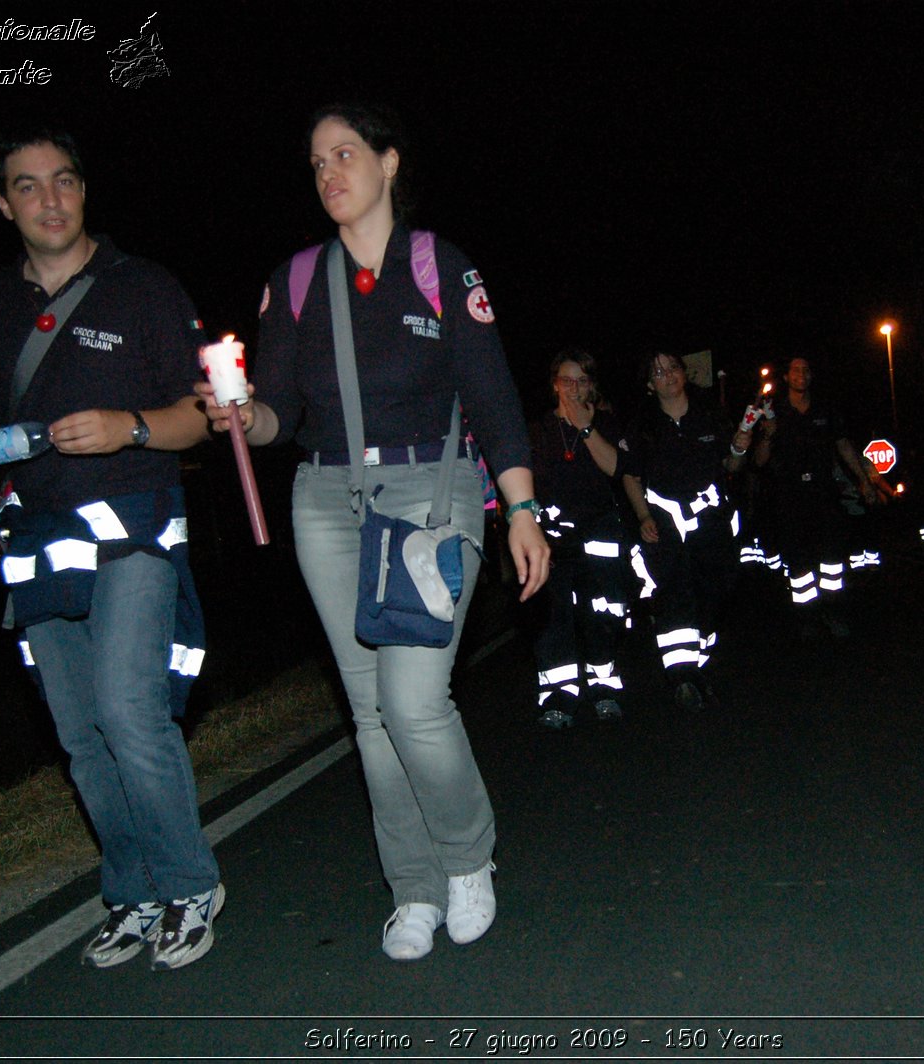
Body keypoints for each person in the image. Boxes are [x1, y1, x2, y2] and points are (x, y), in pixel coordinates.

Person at [202, 103, 548, 962]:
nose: (329, 174)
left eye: (345, 154)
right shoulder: (294, 281)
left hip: (431, 494)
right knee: (368, 714)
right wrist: (242, 416)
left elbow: (494, 393)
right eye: (316, 161)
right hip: (327, 502)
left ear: (389, 163)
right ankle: (415, 888)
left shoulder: (438, 266)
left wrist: (526, 509)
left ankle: (469, 857)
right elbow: (281, 414)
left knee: (414, 703)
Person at [0, 128, 223, 971]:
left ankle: (189, 881)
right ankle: (133, 890)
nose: (51, 200)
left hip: (132, 525)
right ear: (5, 204)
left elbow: (197, 413)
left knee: (127, 710)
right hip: (35, 537)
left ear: (84, 190)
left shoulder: (144, 288)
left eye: (63, 181)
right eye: (28, 187)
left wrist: (126, 428)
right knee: (78, 731)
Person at [620, 350, 751, 712]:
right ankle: (681, 677)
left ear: (684, 372)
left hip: (710, 516)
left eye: (672, 368)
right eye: (658, 372)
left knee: (716, 588)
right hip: (663, 517)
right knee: (675, 592)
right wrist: (644, 516)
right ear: (650, 384)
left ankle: (698, 662)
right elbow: (630, 475)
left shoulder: (710, 413)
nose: (667, 375)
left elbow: (732, 465)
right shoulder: (642, 425)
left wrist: (740, 449)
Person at [528, 349, 630, 729]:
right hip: (553, 539)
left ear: (592, 385)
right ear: (555, 384)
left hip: (600, 537)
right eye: (566, 380)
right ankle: (559, 697)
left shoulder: (604, 423)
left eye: (582, 380)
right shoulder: (536, 430)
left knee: (602, 616)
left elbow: (615, 468)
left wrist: (586, 428)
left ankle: (605, 690)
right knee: (553, 621)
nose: (574, 388)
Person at [751, 356, 887, 639]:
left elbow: (844, 446)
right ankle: (806, 618)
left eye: (806, 369)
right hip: (789, 497)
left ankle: (833, 611)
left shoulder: (826, 408)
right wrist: (766, 436)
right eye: (795, 370)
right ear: (786, 377)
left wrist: (864, 482)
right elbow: (759, 461)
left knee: (832, 558)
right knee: (799, 562)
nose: (801, 373)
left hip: (823, 493)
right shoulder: (773, 410)